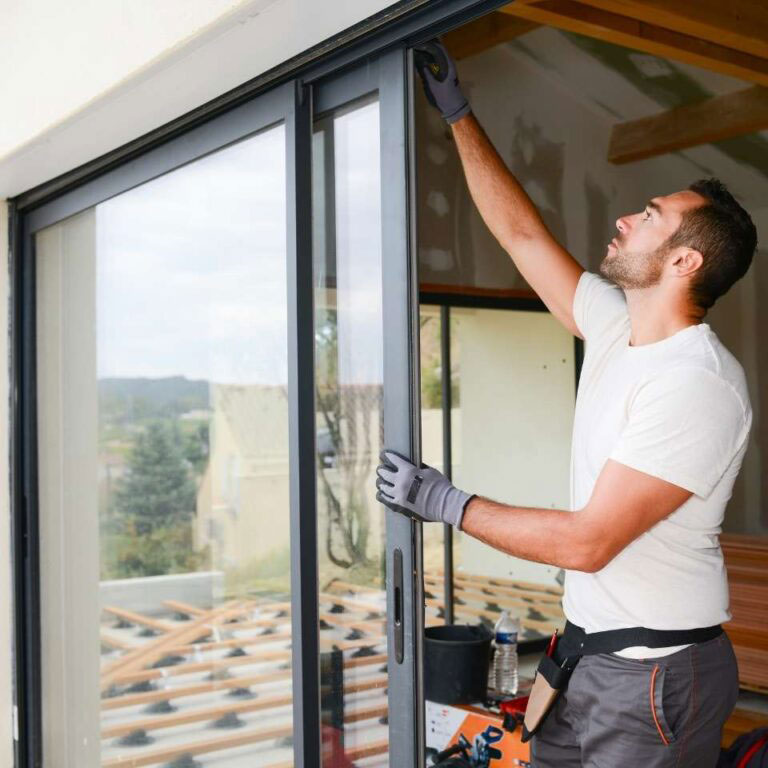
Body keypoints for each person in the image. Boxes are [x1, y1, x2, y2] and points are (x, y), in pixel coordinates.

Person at [375, 39, 758, 767]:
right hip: (584, 656)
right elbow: (521, 235)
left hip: (653, 679)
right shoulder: (616, 323)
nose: (624, 219)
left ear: (685, 261)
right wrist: (458, 115)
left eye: (648, 215)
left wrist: (445, 502)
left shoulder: (697, 383)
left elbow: (589, 541)